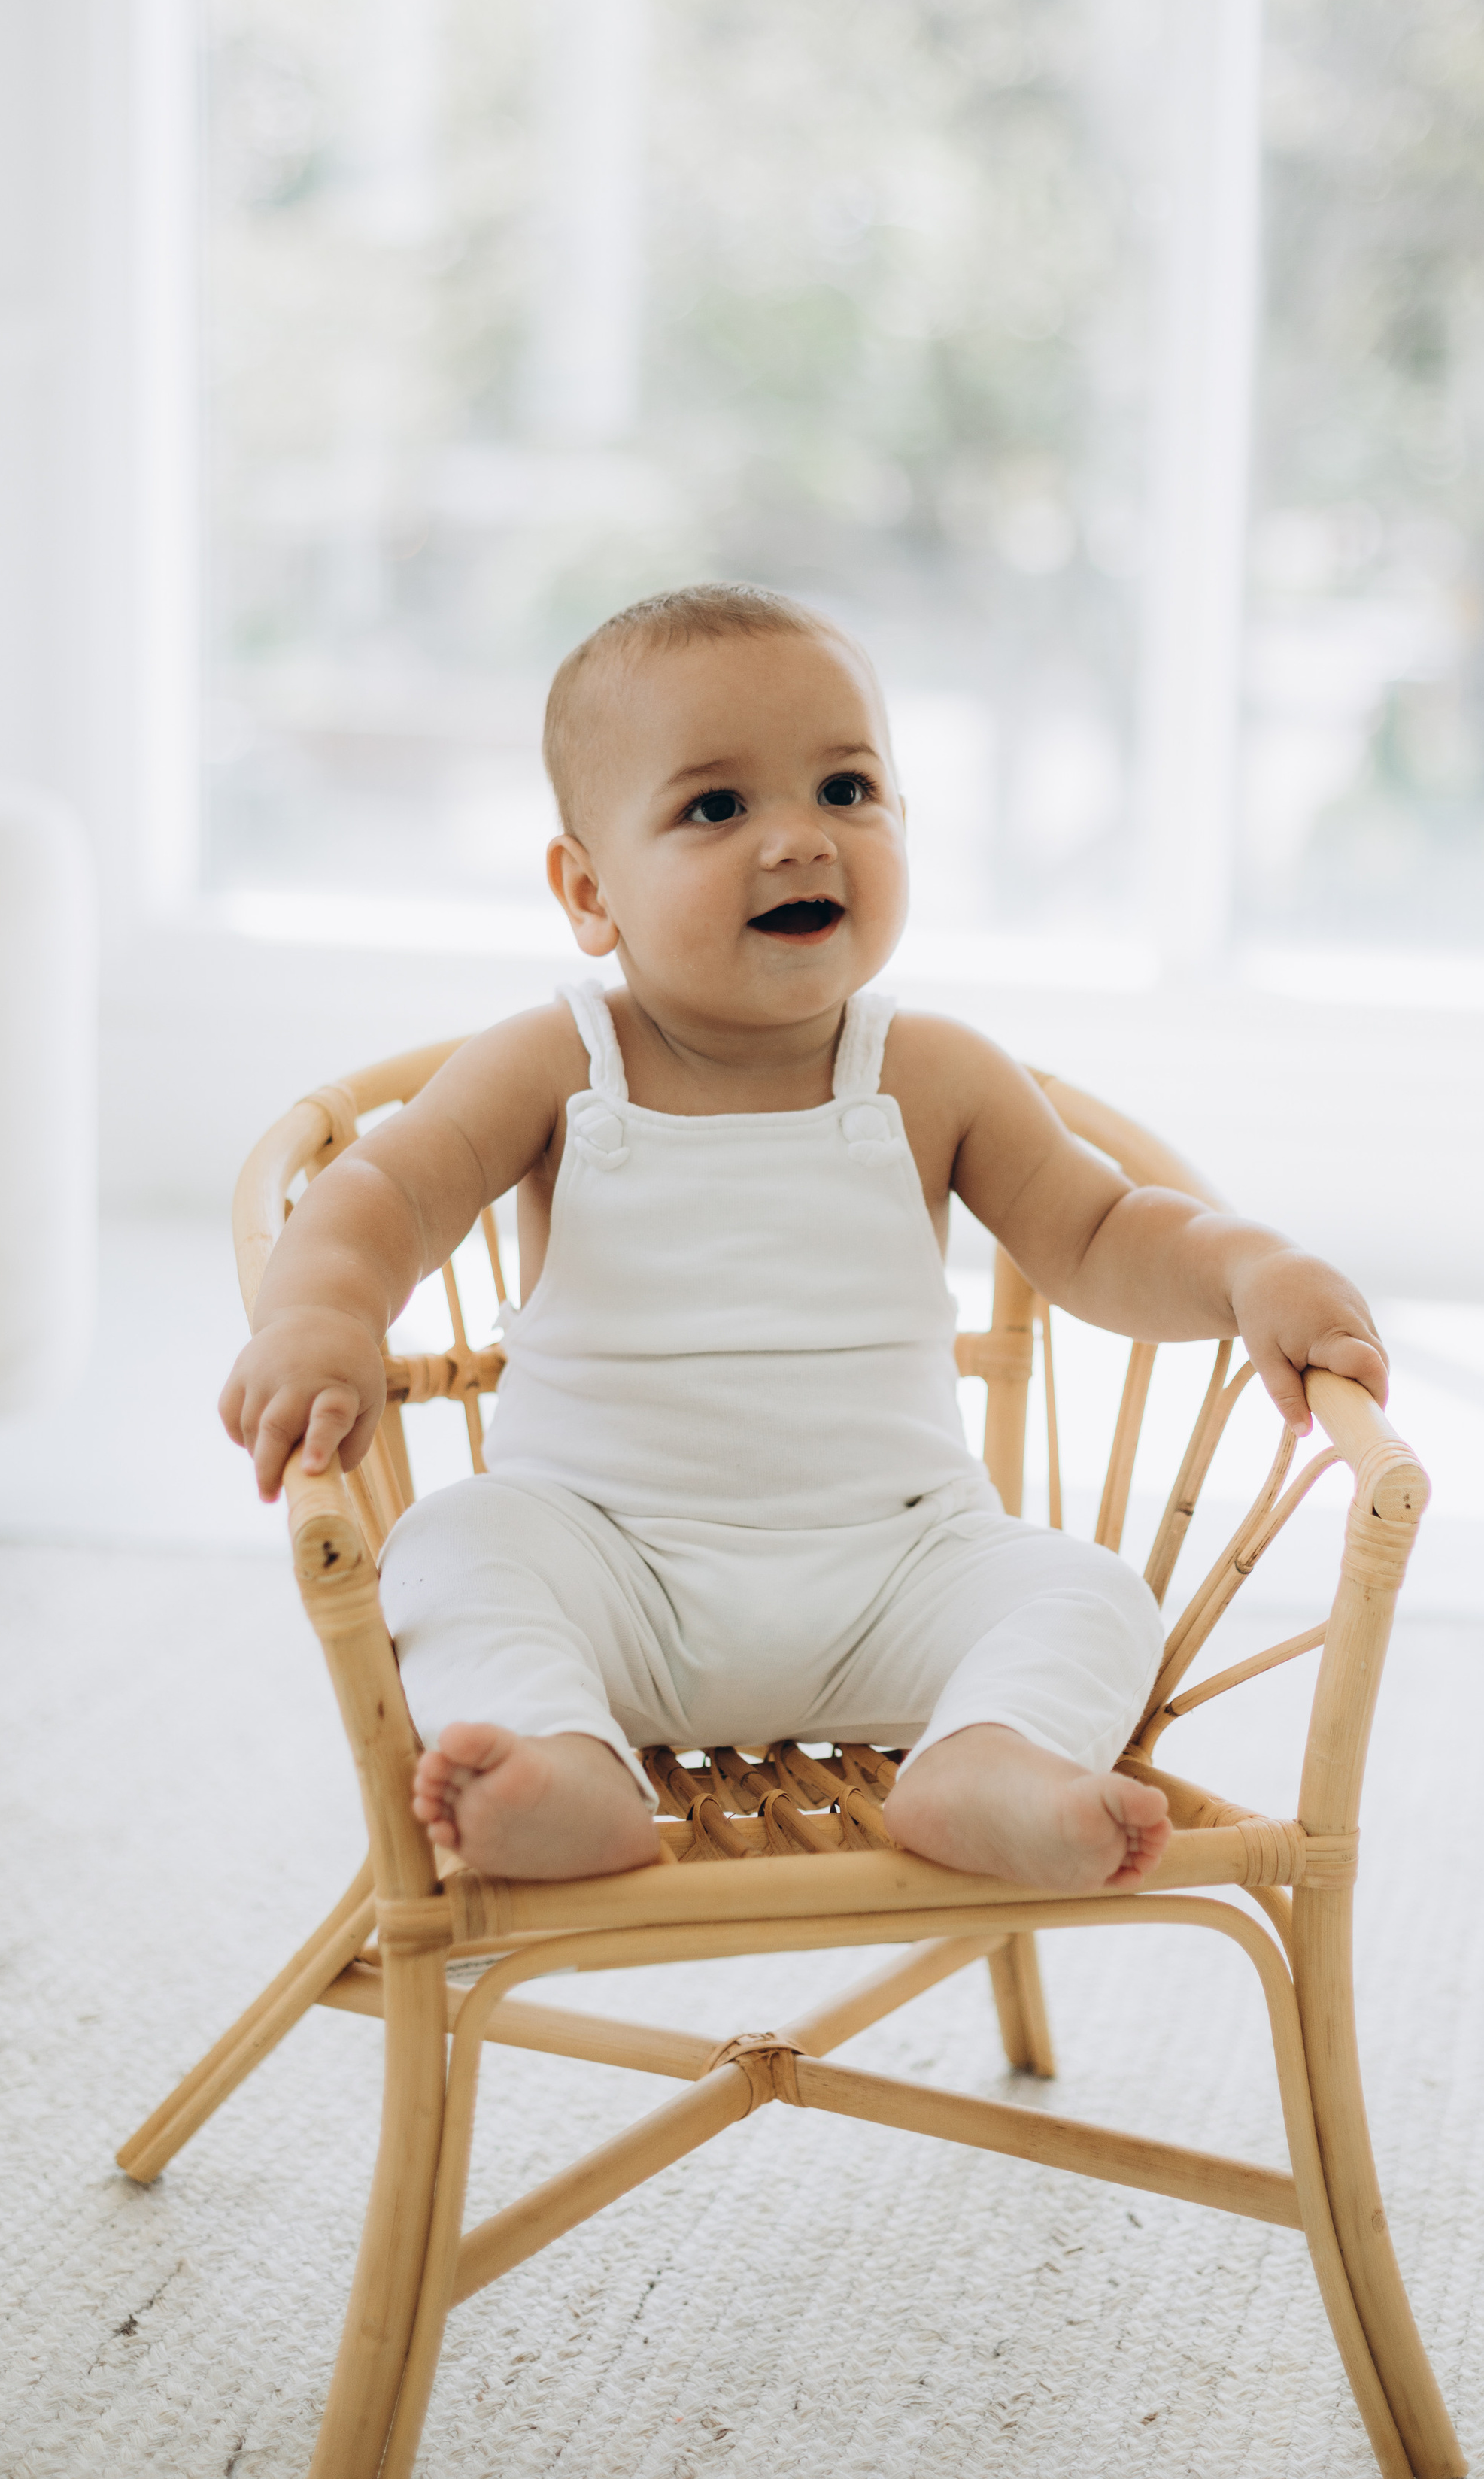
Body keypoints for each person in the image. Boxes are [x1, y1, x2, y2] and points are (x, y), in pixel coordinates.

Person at [220, 584, 1388, 1898]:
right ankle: (562, 1766)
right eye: (717, 808)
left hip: (899, 1569)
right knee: (453, 1547)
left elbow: (1103, 1230)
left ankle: (987, 1762)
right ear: (588, 888)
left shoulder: (936, 1072)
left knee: (1087, 1591)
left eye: (846, 790)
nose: (800, 843)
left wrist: (1246, 1269)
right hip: (609, 1562)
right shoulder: (558, 1064)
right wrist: (320, 1315)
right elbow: (387, 1192)